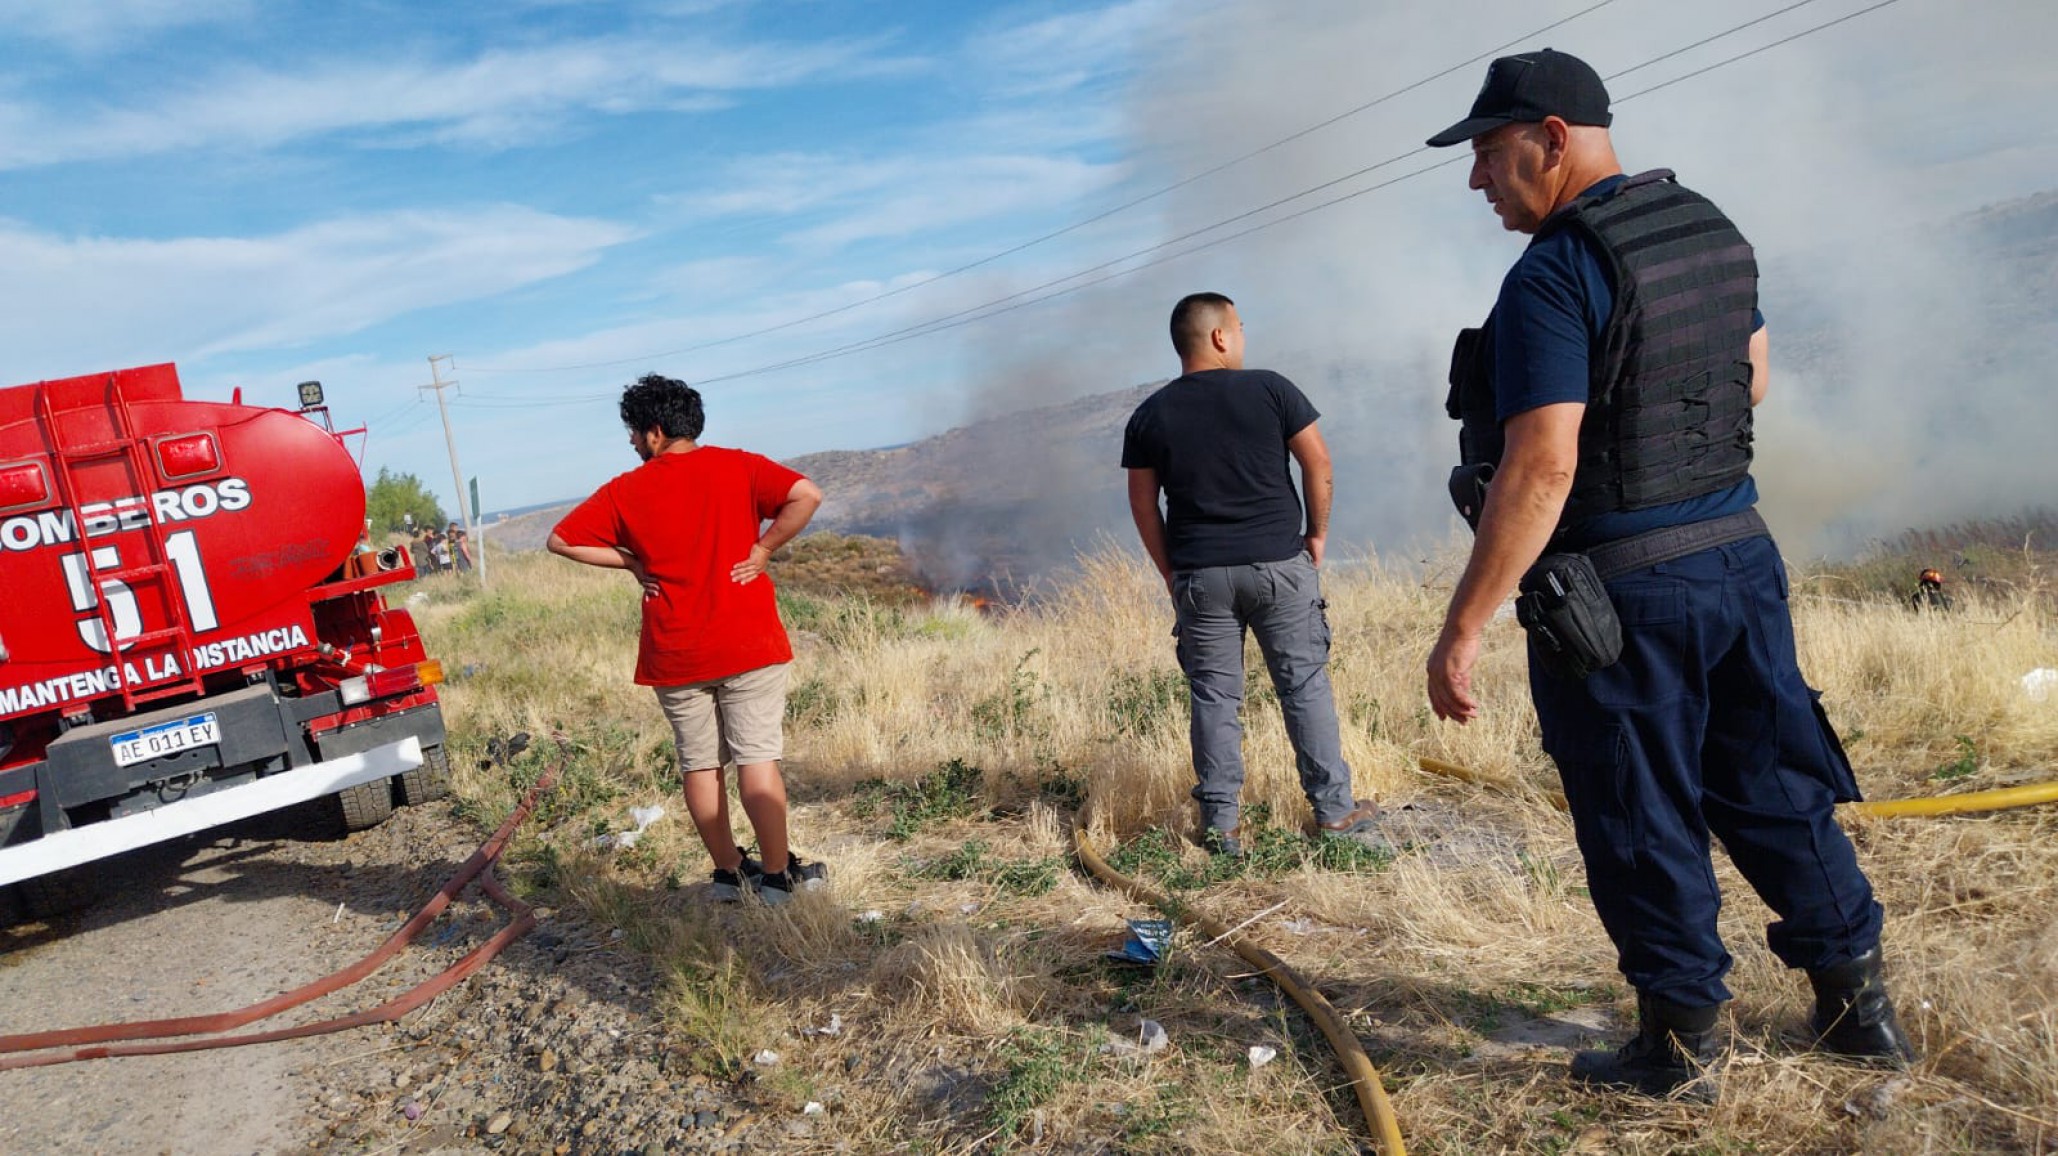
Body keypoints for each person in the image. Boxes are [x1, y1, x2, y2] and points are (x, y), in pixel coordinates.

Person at [1422, 49, 1913, 1096]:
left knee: (1637, 805)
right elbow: (1755, 377)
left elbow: (1542, 462)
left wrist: (1465, 623)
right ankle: (1858, 1009)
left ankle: (1680, 1044)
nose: (1475, 180)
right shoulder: (1707, 228)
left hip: (1620, 594)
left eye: (1488, 154)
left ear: (1553, 139)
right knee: (1777, 784)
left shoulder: (1555, 271)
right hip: (1738, 555)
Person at [548, 373, 826, 904]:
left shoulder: (624, 490)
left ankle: (727, 873)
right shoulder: (739, 466)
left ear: (654, 432)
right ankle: (776, 879)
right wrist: (764, 549)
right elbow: (807, 495)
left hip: (675, 650)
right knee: (756, 761)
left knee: (699, 766)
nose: (631, 442)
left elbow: (560, 540)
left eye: (632, 432)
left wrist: (631, 562)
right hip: (747, 642)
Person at [1122, 292, 1381, 858]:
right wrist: (1317, 535)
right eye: (1238, 327)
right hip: (1279, 566)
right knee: (1304, 686)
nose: (1242, 336)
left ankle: (1222, 829)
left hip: (1200, 576)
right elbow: (1319, 461)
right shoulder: (1271, 389)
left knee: (1215, 697)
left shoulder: (1149, 415)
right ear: (1219, 337)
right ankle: (1335, 814)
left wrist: (1172, 571)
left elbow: (1144, 505)